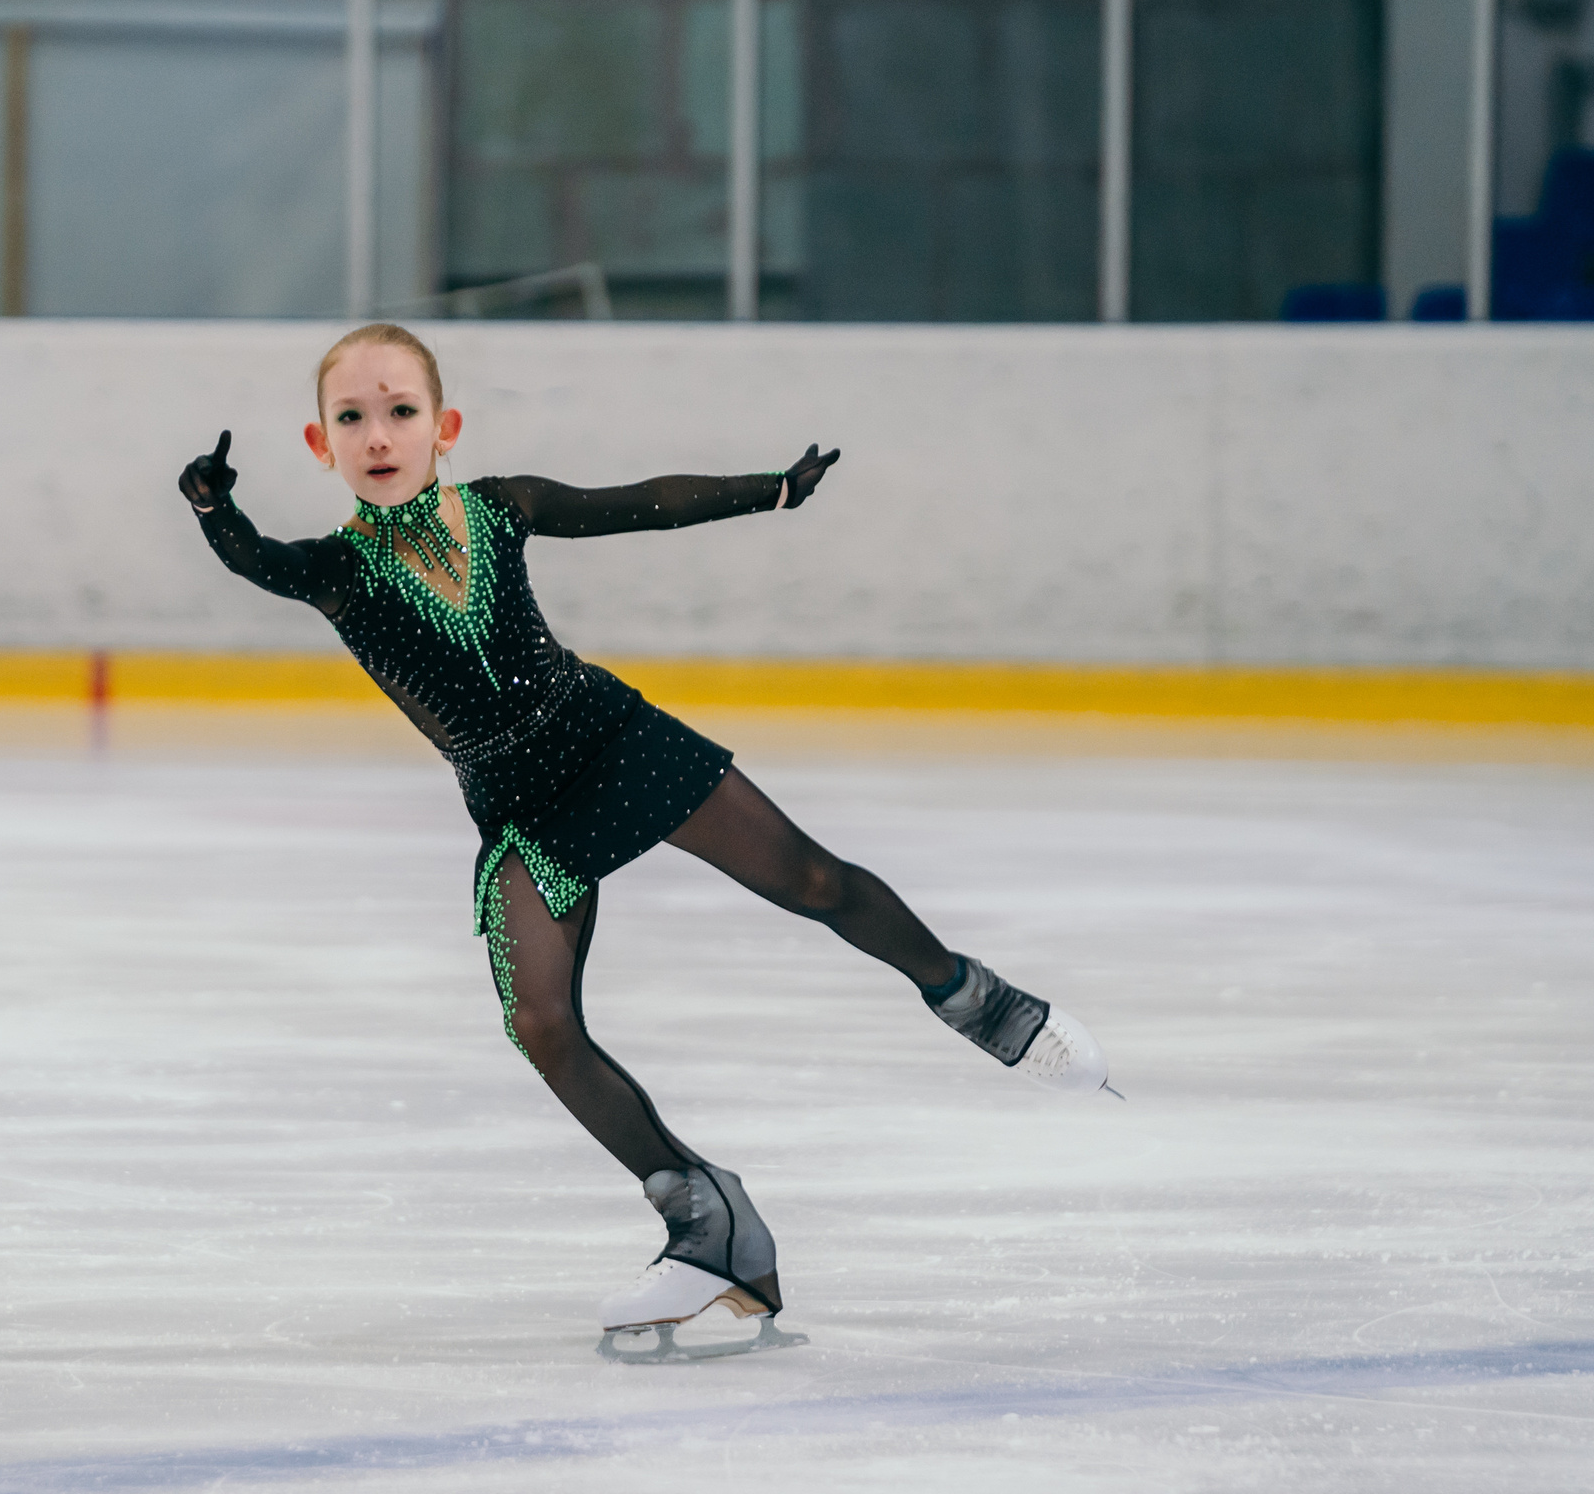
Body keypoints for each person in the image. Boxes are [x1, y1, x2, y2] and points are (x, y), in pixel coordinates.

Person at [181, 324, 1112, 1359]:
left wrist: (769, 489)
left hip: (610, 737)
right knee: (539, 1023)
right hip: (519, 808)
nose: (379, 433)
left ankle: (973, 998)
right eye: (352, 418)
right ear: (321, 446)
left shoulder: (501, 507)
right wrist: (214, 505)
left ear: (443, 427)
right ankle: (705, 1217)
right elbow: (255, 560)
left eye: (400, 411)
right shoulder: (335, 571)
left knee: (808, 877)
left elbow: (638, 505)